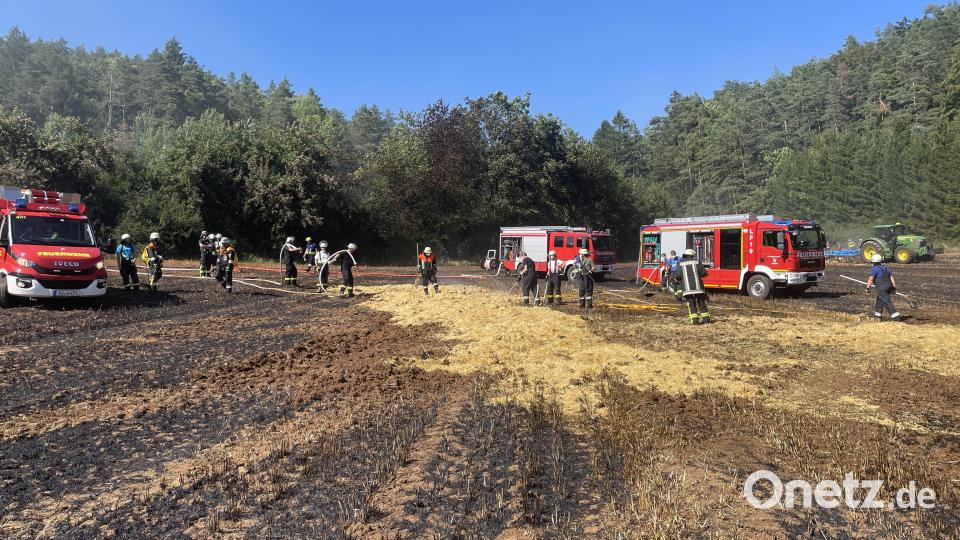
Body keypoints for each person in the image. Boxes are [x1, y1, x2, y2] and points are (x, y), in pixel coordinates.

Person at [677, 249, 710, 324]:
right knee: (701, 302)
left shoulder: (680, 263)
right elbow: (704, 273)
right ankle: (706, 320)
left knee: (691, 303)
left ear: (684, 255)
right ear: (692, 255)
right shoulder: (697, 262)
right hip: (699, 288)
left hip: (687, 289)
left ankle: (695, 320)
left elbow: (677, 276)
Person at [866, 254, 901, 321]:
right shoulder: (886, 268)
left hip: (882, 288)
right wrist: (893, 288)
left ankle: (896, 317)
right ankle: (877, 316)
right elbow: (892, 278)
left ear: (874, 262)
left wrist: (867, 288)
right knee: (879, 300)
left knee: (887, 302)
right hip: (889, 286)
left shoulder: (874, 269)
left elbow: (871, 279)